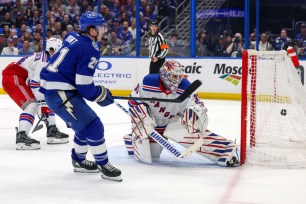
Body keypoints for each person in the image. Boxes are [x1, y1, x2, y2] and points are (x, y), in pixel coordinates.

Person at [39, 11, 122, 182]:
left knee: (83, 127)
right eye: (99, 27)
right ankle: (104, 165)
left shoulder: (71, 36)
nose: (102, 30)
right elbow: (84, 86)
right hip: (60, 92)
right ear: (90, 30)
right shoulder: (90, 49)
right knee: (94, 126)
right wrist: (99, 94)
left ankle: (79, 161)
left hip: (58, 89)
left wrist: (97, 92)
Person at [123, 60, 239, 167]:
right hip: (151, 124)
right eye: (174, 76)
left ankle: (224, 151)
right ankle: (133, 138)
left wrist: (194, 114)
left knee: (190, 132)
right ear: (164, 75)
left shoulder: (186, 87)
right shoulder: (148, 82)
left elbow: (198, 105)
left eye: (180, 76)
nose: (177, 80)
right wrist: (143, 118)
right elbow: (133, 102)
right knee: (151, 157)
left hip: (171, 121)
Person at [1, 38, 69, 150]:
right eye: (57, 51)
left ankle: (52, 130)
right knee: (32, 105)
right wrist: (41, 103)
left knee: (47, 100)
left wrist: (44, 103)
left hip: (22, 78)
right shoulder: (44, 61)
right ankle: (22, 137)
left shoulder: (50, 60)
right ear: (51, 50)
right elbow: (35, 84)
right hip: (13, 76)